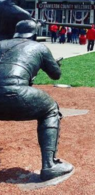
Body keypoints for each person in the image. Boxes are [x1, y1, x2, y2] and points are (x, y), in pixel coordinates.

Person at [0, 20, 73, 180]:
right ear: (34, 34)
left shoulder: (1, 43)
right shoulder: (39, 47)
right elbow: (56, 75)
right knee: (50, 109)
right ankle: (49, 165)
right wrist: (54, 64)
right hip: (16, 92)